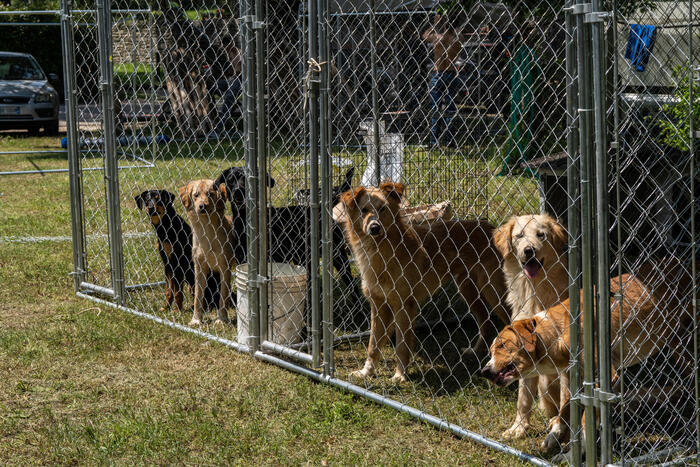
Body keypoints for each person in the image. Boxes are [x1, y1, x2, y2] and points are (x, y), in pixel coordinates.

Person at [422, 14, 463, 148]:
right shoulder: (456, 39)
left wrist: (435, 24)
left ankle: (434, 142)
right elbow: (461, 37)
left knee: (435, 109)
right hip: (451, 73)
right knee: (450, 109)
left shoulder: (437, 38)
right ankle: (449, 140)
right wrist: (454, 27)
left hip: (439, 73)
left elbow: (425, 35)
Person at [214, 34, 242, 137]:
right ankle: (214, 118)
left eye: (224, 45)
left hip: (241, 78)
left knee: (229, 96)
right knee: (214, 86)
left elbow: (239, 68)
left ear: (229, 44)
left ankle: (220, 126)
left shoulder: (238, 52)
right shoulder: (228, 54)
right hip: (233, 78)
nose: (223, 48)